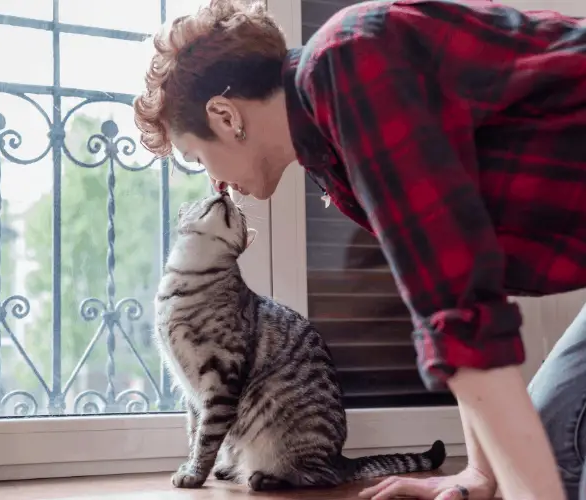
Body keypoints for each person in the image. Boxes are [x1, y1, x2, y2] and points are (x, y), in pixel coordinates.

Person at [133, 0, 586, 498]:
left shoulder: (348, 64)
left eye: (199, 158)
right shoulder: (331, 161)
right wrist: (480, 472)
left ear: (224, 116)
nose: (216, 181)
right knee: (553, 448)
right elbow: (463, 284)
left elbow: (459, 312)